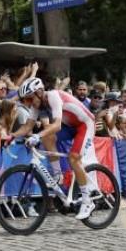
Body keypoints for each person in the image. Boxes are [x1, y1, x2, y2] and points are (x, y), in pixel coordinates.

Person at [19, 76, 98, 220]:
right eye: (25, 100)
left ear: (40, 92)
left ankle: (87, 202)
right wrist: (9, 136)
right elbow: (27, 127)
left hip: (85, 124)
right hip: (71, 126)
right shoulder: (38, 105)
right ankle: (57, 175)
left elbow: (57, 125)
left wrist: (37, 136)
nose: (28, 103)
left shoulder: (53, 96)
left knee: (74, 159)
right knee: (47, 136)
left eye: (30, 99)